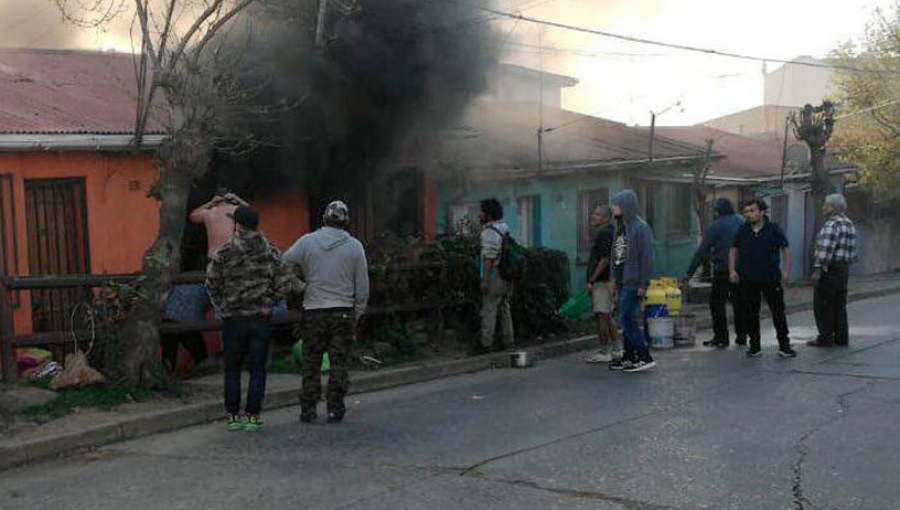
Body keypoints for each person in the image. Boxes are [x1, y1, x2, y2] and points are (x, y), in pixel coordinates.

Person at [206, 206, 300, 432]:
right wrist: (271, 302)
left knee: (232, 368)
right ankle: (253, 415)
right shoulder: (271, 252)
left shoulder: (225, 252)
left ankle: (233, 416)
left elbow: (211, 284)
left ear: (237, 224)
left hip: (233, 319)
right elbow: (287, 282)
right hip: (260, 317)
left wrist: (223, 305)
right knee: (258, 368)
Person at [283, 201, 369, 424]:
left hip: (313, 311)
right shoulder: (354, 246)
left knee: (311, 363)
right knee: (338, 363)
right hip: (342, 312)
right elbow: (362, 286)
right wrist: (357, 312)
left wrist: (300, 285)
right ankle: (335, 408)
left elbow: (282, 263)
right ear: (345, 221)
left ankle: (308, 409)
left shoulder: (307, 241)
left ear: (323, 219)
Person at [729, 199, 796, 358]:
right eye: (746, 211)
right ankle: (755, 346)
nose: (748, 214)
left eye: (752, 211)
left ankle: (784, 346)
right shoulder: (742, 230)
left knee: (778, 311)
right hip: (747, 278)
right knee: (751, 312)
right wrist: (732, 270)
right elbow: (733, 250)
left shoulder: (774, 229)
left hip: (771, 277)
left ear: (761, 212)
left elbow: (786, 249)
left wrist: (786, 271)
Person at [683, 198, 747, 348]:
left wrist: (689, 273)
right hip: (741, 270)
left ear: (718, 211)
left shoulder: (716, 226)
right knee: (740, 304)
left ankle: (721, 338)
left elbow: (701, 251)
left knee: (717, 304)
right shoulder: (741, 220)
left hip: (723, 271)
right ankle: (742, 337)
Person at [608, 190, 656, 373]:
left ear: (626, 206)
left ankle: (645, 356)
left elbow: (647, 258)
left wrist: (644, 284)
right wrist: (613, 279)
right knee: (626, 318)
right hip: (621, 280)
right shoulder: (621, 227)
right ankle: (629, 357)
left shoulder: (640, 228)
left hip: (634, 281)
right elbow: (615, 256)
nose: (614, 208)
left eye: (617, 205)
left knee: (626, 319)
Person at [808, 194, 857, 347]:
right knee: (839, 305)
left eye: (825, 205)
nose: (823, 208)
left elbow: (825, 249)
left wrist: (817, 270)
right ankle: (842, 338)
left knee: (822, 304)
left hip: (830, 269)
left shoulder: (831, 224)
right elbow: (853, 251)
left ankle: (825, 337)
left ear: (832, 208)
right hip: (843, 269)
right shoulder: (849, 223)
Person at [477, 198, 514, 354]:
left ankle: (486, 343)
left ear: (488, 214)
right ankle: (508, 340)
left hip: (495, 276)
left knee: (489, 309)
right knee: (504, 308)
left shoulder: (489, 233)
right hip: (507, 276)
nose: (479, 214)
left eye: (481, 211)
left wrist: (485, 280)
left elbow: (488, 259)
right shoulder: (504, 228)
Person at [585, 204, 621, 364]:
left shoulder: (604, 234)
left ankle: (604, 351)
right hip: (610, 279)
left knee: (601, 315)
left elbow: (604, 259)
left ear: (606, 218)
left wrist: (592, 279)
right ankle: (617, 348)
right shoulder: (612, 232)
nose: (593, 216)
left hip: (603, 280)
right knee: (607, 315)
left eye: (597, 214)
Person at [161, 284, 210, 374]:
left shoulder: (178, 283)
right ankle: (203, 368)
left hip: (170, 317)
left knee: (169, 353)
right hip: (190, 320)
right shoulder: (206, 285)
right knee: (200, 355)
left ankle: (165, 374)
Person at [190, 189, 250, 257]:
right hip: (231, 254)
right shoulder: (234, 210)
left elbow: (192, 216)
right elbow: (250, 213)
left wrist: (210, 203)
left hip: (214, 255)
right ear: (230, 200)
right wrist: (238, 200)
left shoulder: (209, 213)